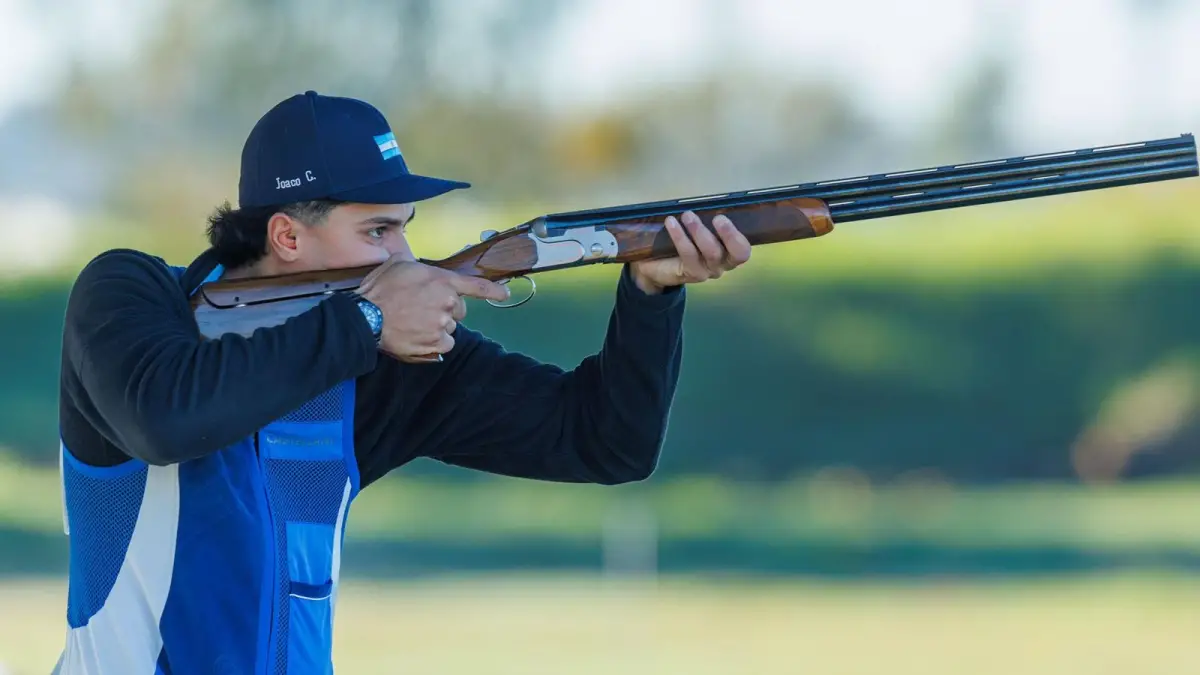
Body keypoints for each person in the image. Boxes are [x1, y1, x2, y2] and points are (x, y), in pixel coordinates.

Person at [52, 90, 751, 674]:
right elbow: (163, 419)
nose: (406, 256)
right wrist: (363, 320)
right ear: (288, 237)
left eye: (404, 229)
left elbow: (604, 441)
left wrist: (652, 295)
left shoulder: (381, 364)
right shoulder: (133, 295)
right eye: (378, 230)